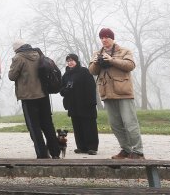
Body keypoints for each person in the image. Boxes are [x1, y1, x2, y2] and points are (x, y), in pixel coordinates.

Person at [89, 28, 144, 159]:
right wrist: (96, 62)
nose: (104, 39)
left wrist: (111, 60)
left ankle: (138, 151)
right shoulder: (97, 53)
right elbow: (92, 71)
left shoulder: (124, 51)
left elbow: (130, 65)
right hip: (107, 93)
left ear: (112, 38)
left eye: (107, 37)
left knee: (130, 123)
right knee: (115, 125)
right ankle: (125, 149)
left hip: (123, 92)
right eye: (101, 37)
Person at [8, 40, 60, 159]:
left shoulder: (18, 58)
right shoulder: (38, 54)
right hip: (43, 94)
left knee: (34, 126)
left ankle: (42, 154)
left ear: (17, 49)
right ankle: (55, 152)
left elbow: (12, 76)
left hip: (28, 96)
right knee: (48, 124)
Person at [60, 54, 98, 155]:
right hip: (73, 105)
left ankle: (92, 147)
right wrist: (66, 90)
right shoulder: (66, 75)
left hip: (86, 104)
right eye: (68, 61)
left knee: (89, 126)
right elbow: (61, 90)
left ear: (76, 61)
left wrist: (91, 102)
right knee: (77, 127)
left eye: (72, 60)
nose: (70, 62)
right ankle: (81, 147)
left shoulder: (84, 71)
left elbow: (91, 87)